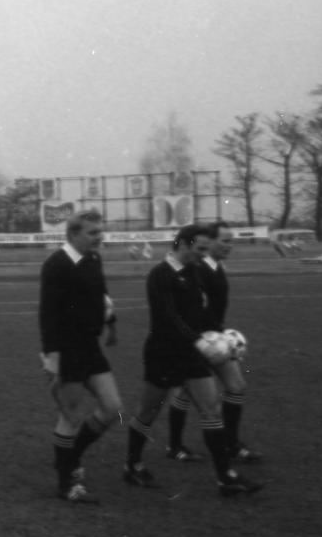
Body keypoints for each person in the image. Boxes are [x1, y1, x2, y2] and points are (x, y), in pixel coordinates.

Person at [123, 224, 262, 497]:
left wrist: (224, 339)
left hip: (190, 354)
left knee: (211, 410)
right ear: (183, 244)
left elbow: (200, 315)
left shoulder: (194, 272)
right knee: (148, 411)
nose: (202, 255)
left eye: (205, 250)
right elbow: (167, 318)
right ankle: (132, 465)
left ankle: (226, 478)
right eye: (198, 249)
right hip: (163, 353)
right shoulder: (159, 275)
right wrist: (199, 340)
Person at [38, 211, 123, 504]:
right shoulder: (56, 265)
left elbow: (103, 295)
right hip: (66, 350)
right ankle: (66, 483)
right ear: (73, 234)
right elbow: (47, 315)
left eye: (100, 231)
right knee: (70, 416)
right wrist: (51, 358)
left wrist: (111, 325)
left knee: (113, 408)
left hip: (90, 347)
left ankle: (72, 456)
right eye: (92, 232)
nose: (99, 236)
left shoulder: (94, 259)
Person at [163, 221, 261, 463]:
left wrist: (224, 336)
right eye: (224, 241)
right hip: (200, 341)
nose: (229, 246)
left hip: (215, 338)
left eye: (232, 241)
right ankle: (179, 446)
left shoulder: (216, 267)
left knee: (233, 387)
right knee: (191, 393)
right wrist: (207, 339)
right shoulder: (199, 269)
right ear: (210, 242)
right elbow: (192, 309)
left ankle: (228, 443)